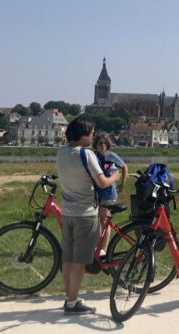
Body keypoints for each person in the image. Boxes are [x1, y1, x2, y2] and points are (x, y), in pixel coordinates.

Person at [56, 117, 120, 315]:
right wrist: (115, 176)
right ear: (83, 135)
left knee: (67, 258)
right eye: (91, 133)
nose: (93, 137)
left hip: (67, 212)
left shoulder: (61, 152)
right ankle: (74, 302)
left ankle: (69, 297)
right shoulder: (87, 155)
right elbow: (102, 182)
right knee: (80, 261)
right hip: (85, 214)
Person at [92, 132, 128, 255]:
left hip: (109, 193)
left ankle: (104, 249)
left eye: (104, 143)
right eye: (100, 143)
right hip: (96, 193)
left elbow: (124, 167)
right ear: (95, 145)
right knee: (96, 220)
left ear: (108, 145)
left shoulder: (111, 156)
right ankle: (97, 246)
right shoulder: (93, 156)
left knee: (104, 220)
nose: (102, 145)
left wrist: (123, 182)